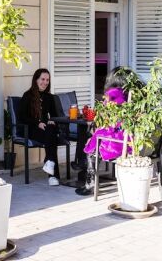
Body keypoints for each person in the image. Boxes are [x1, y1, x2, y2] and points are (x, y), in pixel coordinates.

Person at [75, 67, 142, 196]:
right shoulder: (136, 93)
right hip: (132, 141)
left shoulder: (113, 93)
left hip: (118, 143)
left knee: (94, 143)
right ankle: (83, 166)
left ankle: (90, 181)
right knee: (96, 138)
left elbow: (104, 115)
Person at [18, 68, 61, 186]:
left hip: (47, 129)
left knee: (51, 132)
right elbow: (21, 117)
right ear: (36, 80)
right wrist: (37, 123)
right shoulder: (28, 96)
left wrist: (52, 121)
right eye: (42, 79)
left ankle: (49, 163)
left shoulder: (49, 97)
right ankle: (53, 175)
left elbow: (54, 116)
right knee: (52, 137)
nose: (45, 82)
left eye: (47, 80)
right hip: (32, 129)